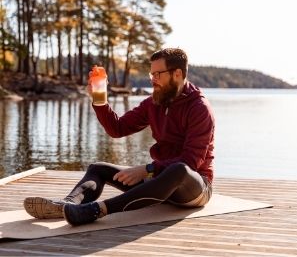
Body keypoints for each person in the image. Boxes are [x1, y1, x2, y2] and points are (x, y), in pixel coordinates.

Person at [24, 48, 215, 226]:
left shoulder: (199, 108)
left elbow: (190, 162)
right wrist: (100, 99)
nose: (152, 79)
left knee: (178, 169)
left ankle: (98, 209)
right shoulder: (153, 103)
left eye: (158, 74)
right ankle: (67, 205)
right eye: (151, 74)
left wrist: (147, 169)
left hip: (194, 187)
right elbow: (117, 129)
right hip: (160, 182)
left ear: (178, 74)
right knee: (98, 168)